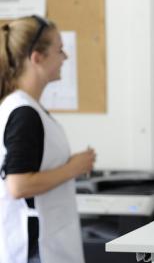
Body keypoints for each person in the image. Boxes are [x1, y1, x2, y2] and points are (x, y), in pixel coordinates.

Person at [0, 16, 96, 263]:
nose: (65, 58)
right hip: (35, 249)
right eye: (59, 50)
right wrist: (73, 168)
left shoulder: (25, 108)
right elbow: (18, 185)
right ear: (37, 57)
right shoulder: (24, 113)